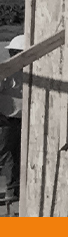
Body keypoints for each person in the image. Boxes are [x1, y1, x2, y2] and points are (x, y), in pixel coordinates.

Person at [0, 34, 22, 207]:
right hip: (10, 117)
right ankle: (11, 190)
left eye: (14, 52)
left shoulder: (9, 71)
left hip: (11, 117)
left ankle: (12, 190)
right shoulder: (8, 71)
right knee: (9, 154)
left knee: (9, 154)